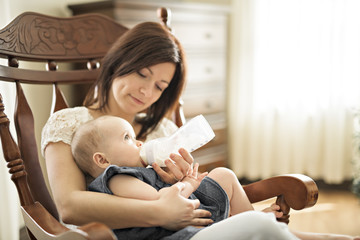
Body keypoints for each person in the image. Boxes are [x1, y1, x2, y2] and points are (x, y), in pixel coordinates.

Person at [41, 21, 360, 240]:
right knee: (264, 231)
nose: (146, 92)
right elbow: (69, 206)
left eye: (159, 86)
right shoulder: (71, 123)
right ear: (119, 61)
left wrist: (182, 180)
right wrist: (160, 212)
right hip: (136, 232)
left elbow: (202, 195)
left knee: (226, 182)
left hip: (192, 225)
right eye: (141, 73)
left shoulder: (162, 130)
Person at [70, 115, 284, 239]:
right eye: (127, 138)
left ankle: (244, 217)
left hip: (190, 221)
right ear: (102, 160)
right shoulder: (117, 178)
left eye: (134, 137)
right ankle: (249, 222)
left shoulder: (140, 171)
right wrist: (188, 184)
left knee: (224, 175)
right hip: (175, 236)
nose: (138, 143)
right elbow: (163, 200)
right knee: (261, 226)